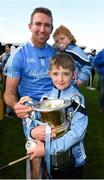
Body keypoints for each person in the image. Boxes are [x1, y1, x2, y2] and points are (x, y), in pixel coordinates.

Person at [3, 7, 56, 179]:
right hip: (31, 113)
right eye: (38, 24)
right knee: (36, 159)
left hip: (54, 109)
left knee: (54, 158)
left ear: (51, 29)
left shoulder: (55, 53)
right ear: (30, 26)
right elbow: (8, 93)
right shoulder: (18, 55)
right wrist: (15, 105)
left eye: (47, 25)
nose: (42, 29)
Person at [17, 53, 88, 179]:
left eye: (65, 74)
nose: (60, 79)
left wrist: (48, 149)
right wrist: (29, 120)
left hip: (73, 160)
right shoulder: (44, 98)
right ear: (49, 74)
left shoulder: (77, 99)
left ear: (73, 75)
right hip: (49, 159)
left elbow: (78, 133)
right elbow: (36, 126)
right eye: (56, 74)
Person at [94, 49, 104, 113]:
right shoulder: (101, 53)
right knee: (102, 92)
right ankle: (102, 107)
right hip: (103, 75)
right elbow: (96, 63)